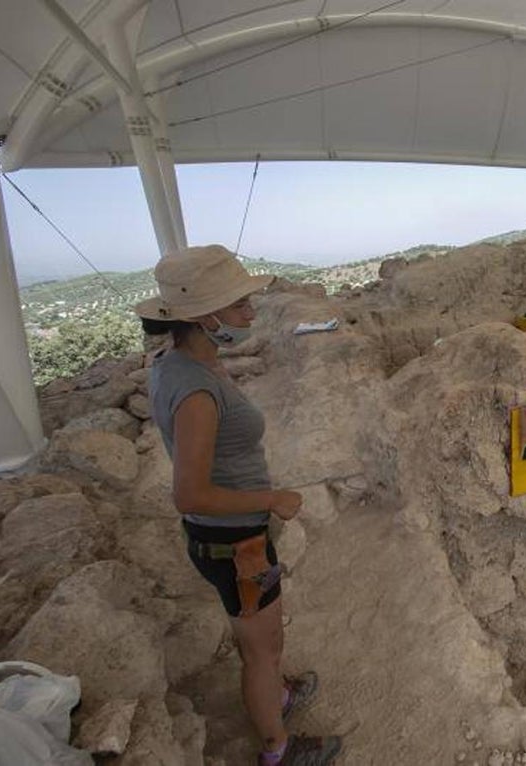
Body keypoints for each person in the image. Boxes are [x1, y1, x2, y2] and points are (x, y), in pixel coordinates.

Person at [135, 245, 342, 766]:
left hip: (225, 537)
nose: (251, 310)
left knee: (261, 639)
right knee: (261, 648)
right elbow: (190, 493)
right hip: (235, 543)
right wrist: (272, 498)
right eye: (238, 304)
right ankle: (278, 747)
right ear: (205, 318)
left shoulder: (176, 362)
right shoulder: (197, 392)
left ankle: (277, 693)